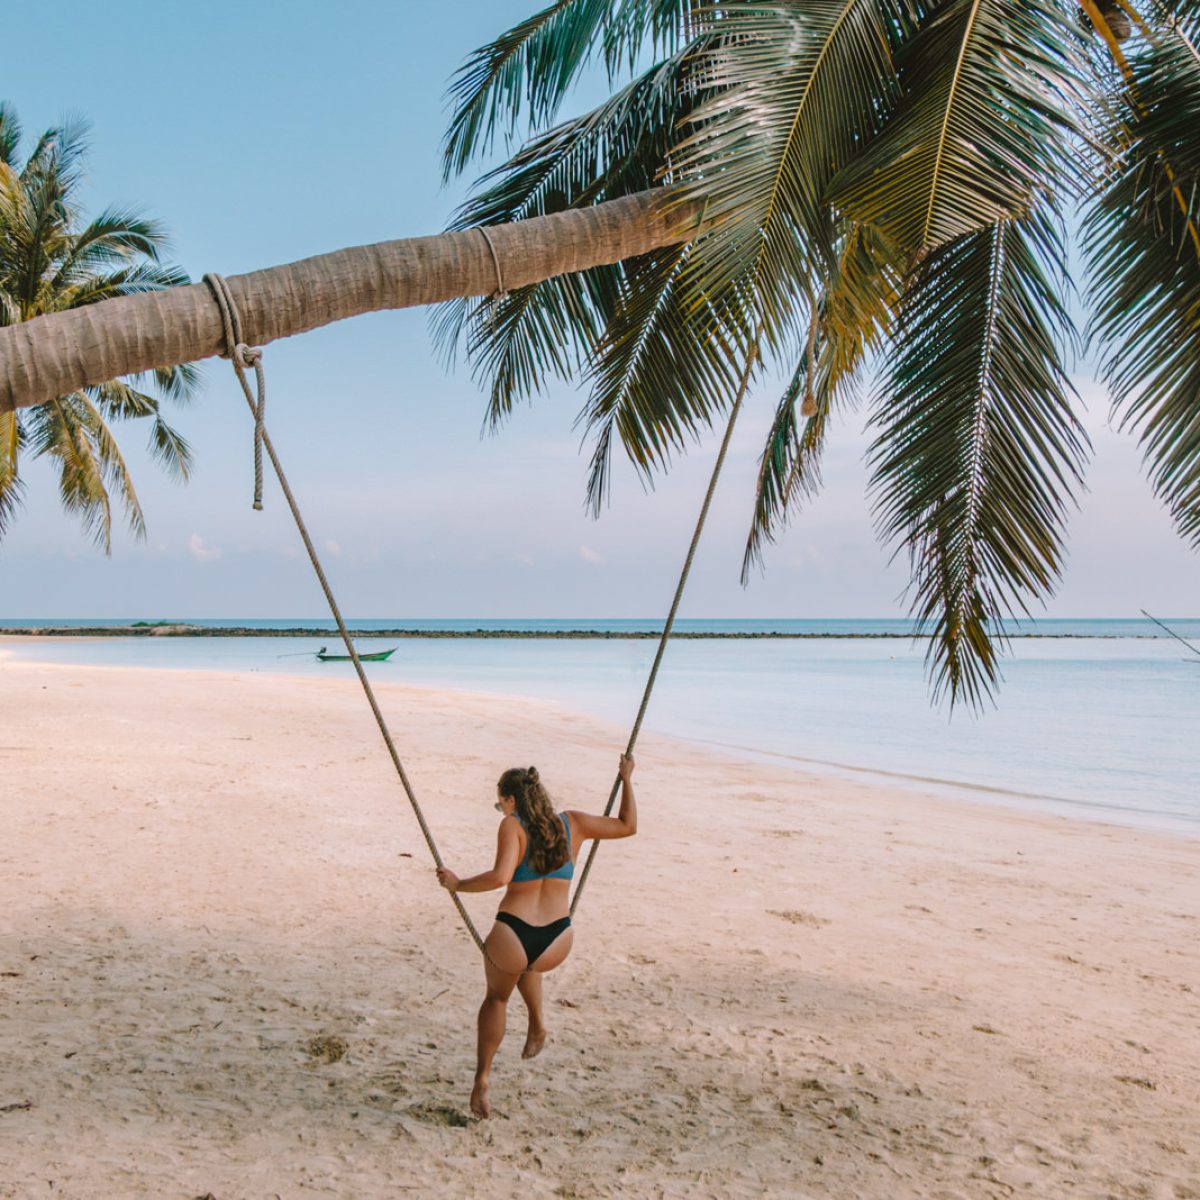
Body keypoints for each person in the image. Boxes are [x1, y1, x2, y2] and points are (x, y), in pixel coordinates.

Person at [436, 753, 637, 1118]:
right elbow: (627, 826)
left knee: (497, 999)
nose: (500, 808)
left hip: (514, 935)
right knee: (531, 966)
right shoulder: (573, 823)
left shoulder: (512, 825)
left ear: (512, 800)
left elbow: (500, 877)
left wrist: (458, 884)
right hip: (558, 940)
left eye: (500, 802)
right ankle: (537, 1024)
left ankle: (482, 1079)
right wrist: (627, 779)